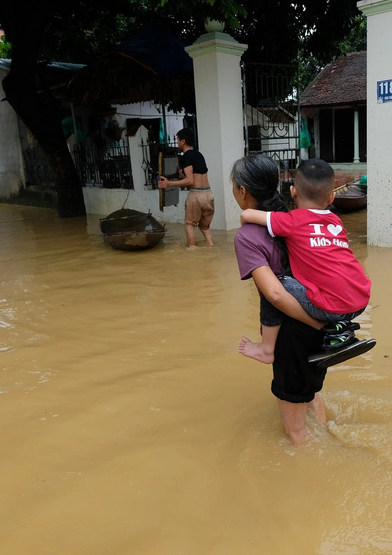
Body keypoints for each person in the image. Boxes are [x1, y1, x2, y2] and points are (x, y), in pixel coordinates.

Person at [230, 153, 328, 444]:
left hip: (292, 331)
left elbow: (273, 293)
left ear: (243, 191)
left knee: (295, 432)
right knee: (311, 397)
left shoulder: (247, 236)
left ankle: (316, 482)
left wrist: (311, 322)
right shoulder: (291, 219)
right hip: (318, 315)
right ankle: (332, 436)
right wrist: (319, 322)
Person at [239, 158, 373, 361]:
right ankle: (340, 329)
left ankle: (267, 348)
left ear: (293, 192)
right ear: (331, 197)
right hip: (361, 299)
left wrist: (244, 217)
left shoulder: (291, 220)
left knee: (273, 284)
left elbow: (249, 214)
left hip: (331, 305)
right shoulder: (336, 221)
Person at [158, 128, 214, 247]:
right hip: (209, 195)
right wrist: (181, 175)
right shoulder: (199, 155)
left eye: (178, 140)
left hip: (196, 196)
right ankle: (211, 247)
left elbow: (190, 180)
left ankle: (192, 253)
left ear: (183, 141)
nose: (177, 142)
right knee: (204, 227)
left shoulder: (186, 157)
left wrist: (169, 183)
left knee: (189, 225)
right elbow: (196, 175)